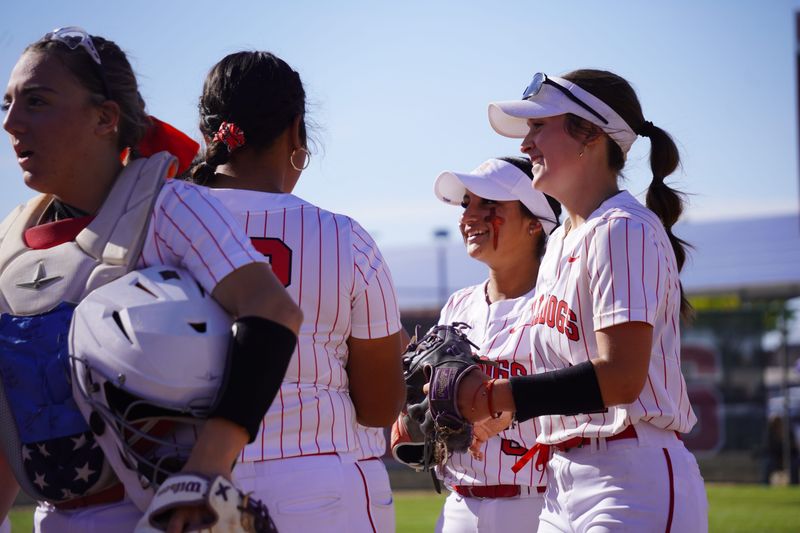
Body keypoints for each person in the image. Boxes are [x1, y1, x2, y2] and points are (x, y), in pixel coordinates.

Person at [0, 27, 302, 532]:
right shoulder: (10, 242)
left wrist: (206, 472)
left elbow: (272, 311)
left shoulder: (170, 205)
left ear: (105, 117)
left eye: (36, 102)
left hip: (160, 514)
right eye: (7, 104)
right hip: (51, 519)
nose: (11, 122)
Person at [453, 70, 708, 532]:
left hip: (632, 474)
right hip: (561, 481)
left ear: (589, 134)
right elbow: (557, 377)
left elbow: (622, 376)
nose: (526, 144)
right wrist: (501, 410)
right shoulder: (558, 245)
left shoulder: (622, 227)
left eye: (537, 127)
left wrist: (498, 396)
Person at [186, 50, 405, 532]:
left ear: (209, 134)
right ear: (295, 131)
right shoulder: (344, 237)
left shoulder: (162, 223)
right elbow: (380, 407)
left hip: (188, 482)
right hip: (322, 482)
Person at [428, 156, 560, 532]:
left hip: (540, 503)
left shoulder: (560, 301)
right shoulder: (458, 305)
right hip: (459, 505)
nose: (469, 215)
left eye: (489, 204)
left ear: (535, 221)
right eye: (467, 203)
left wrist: (508, 405)